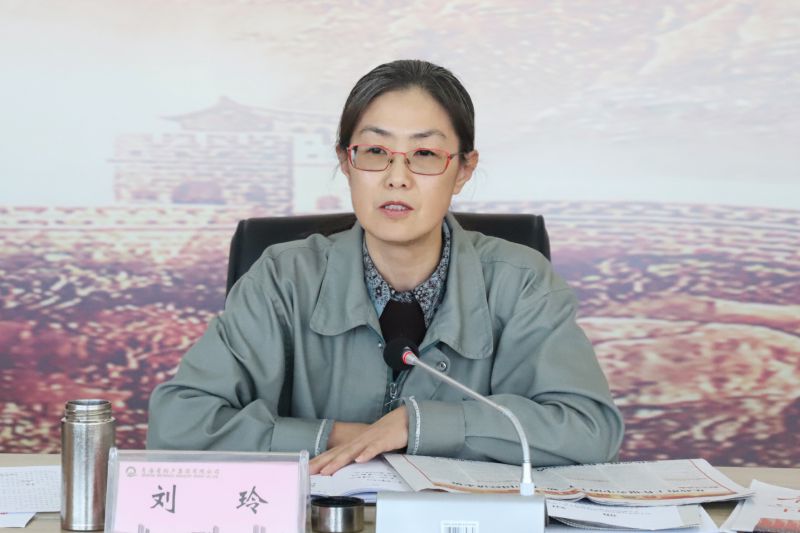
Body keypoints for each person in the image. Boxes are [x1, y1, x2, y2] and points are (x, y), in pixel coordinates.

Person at [147, 59, 624, 475]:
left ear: (463, 170)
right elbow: (178, 424)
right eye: (375, 152)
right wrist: (346, 437)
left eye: (425, 154)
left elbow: (589, 430)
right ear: (346, 161)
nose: (397, 178)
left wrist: (417, 426)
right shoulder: (282, 278)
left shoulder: (521, 282)